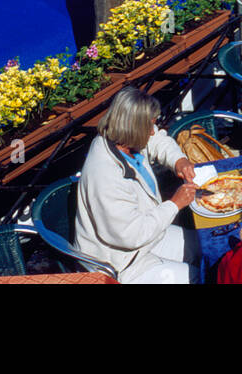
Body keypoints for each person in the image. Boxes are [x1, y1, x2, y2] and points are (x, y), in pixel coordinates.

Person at [74, 86, 197, 284]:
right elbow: (131, 235)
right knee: (196, 277)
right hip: (121, 261)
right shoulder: (105, 174)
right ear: (132, 128)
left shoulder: (124, 137)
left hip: (149, 235)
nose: (152, 132)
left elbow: (157, 139)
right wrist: (174, 204)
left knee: (205, 248)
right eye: (149, 127)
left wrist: (178, 160)